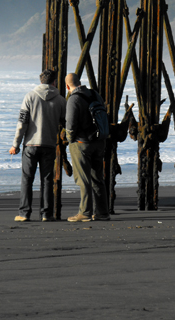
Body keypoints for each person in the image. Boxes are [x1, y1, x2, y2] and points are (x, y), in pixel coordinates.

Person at [9, 69, 66, 222]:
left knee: (27, 179)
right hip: (49, 144)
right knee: (47, 180)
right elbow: (65, 123)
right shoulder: (60, 100)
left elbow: (22, 123)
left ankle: (24, 213)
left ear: (41, 81)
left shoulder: (30, 96)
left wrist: (16, 144)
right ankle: (46, 214)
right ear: (54, 82)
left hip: (30, 145)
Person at [65, 72, 110, 222]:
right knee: (98, 177)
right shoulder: (94, 94)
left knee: (83, 179)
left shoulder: (74, 99)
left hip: (82, 143)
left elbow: (70, 125)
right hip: (99, 141)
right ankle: (102, 212)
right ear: (80, 82)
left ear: (67, 86)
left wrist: (70, 139)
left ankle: (84, 212)